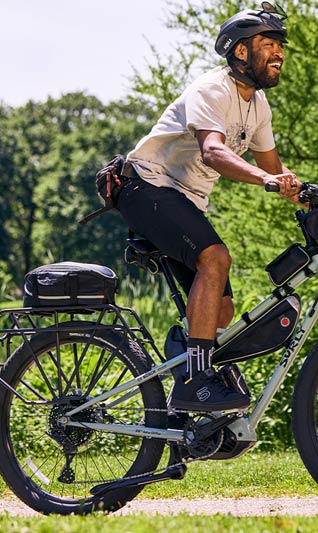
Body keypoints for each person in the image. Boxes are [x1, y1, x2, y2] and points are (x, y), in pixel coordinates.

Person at [115, 4, 301, 412]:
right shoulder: (212, 89)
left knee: (223, 308)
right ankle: (195, 381)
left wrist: (310, 194)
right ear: (239, 52)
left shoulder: (258, 106)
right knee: (215, 258)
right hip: (145, 186)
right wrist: (267, 180)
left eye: (280, 46)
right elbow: (214, 152)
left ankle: (183, 355)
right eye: (268, 44)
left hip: (181, 200)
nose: (279, 53)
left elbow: (273, 167)